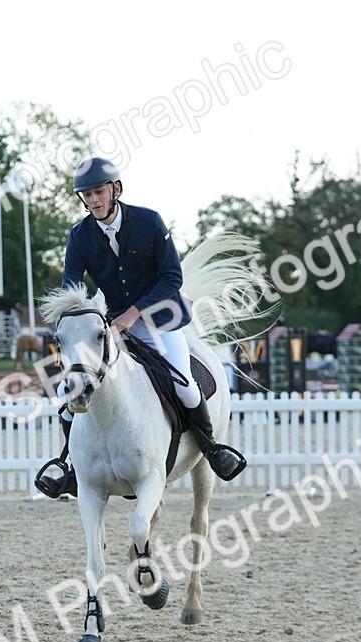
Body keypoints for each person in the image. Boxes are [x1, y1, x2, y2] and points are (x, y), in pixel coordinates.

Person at [34, 157, 245, 499]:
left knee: (186, 385)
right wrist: (79, 319)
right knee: (67, 391)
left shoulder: (149, 223)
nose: (93, 201)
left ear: (116, 189)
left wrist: (134, 313)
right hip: (114, 328)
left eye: (98, 192)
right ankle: (71, 466)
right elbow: (69, 289)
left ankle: (211, 448)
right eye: (86, 195)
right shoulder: (80, 236)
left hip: (161, 321)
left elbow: (172, 278)